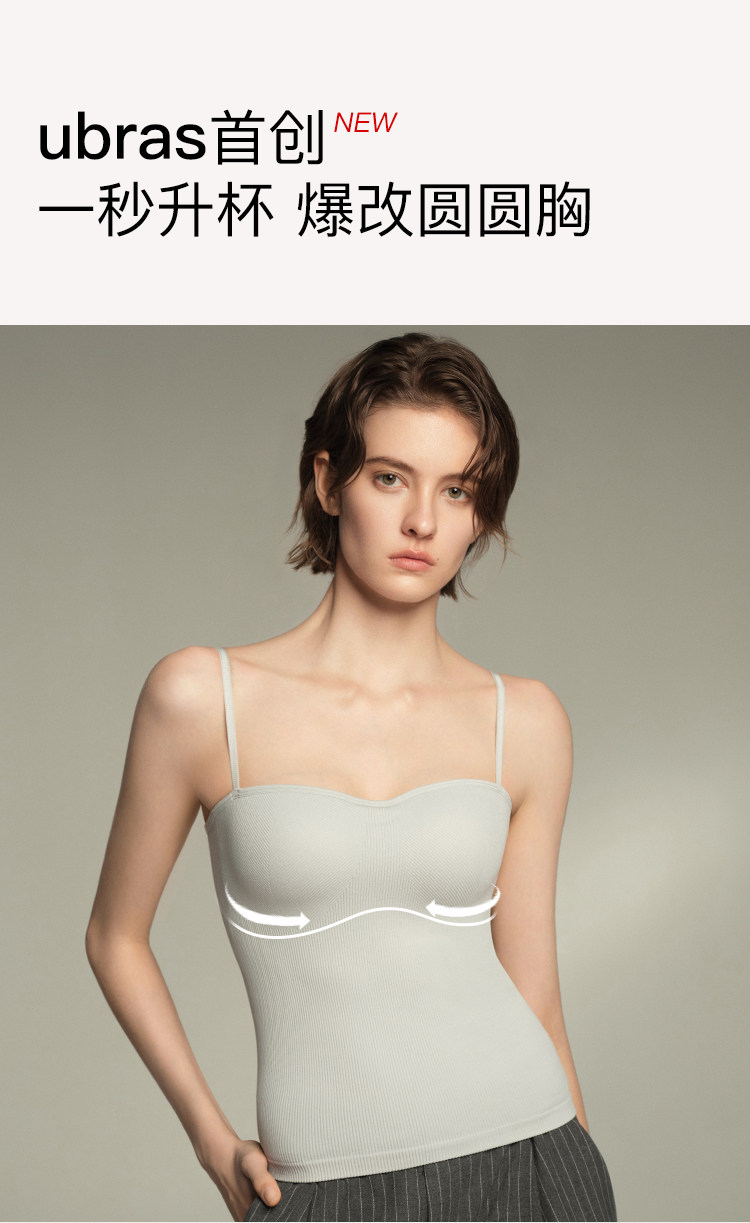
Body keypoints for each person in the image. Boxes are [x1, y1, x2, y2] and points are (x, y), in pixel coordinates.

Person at [86, 332, 617, 1222]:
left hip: (532, 1156)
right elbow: (114, 936)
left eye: (458, 490)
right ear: (329, 482)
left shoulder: (523, 721)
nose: (423, 522)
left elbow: (538, 998)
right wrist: (212, 1140)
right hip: (327, 1185)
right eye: (390, 477)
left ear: (481, 514)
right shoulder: (202, 698)